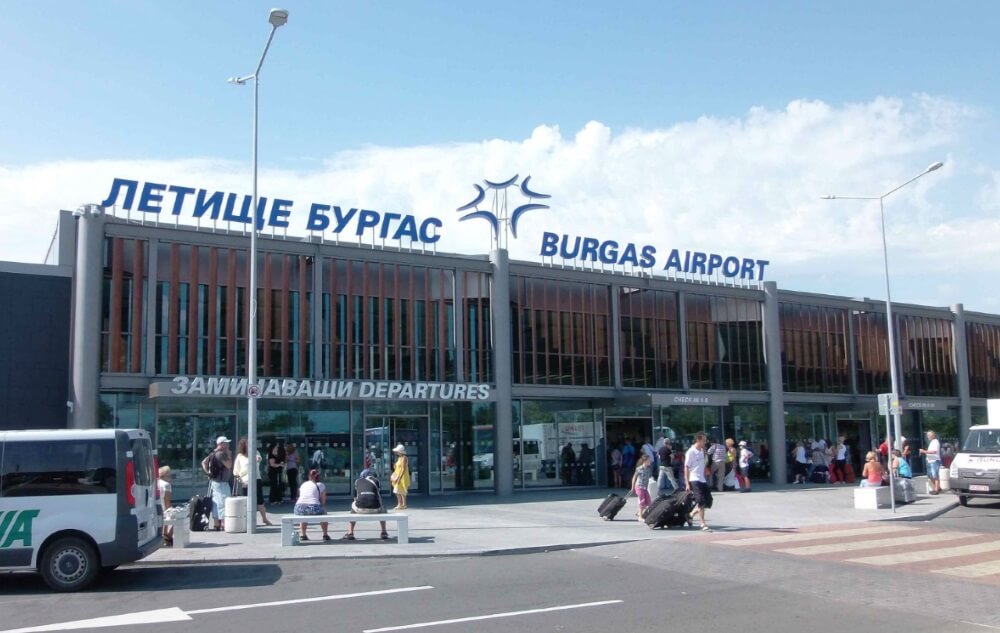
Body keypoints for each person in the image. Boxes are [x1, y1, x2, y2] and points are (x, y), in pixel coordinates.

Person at [233, 438, 272, 526]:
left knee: (260, 500)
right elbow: (236, 471)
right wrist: (239, 479)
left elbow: (258, 459)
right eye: (248, 443)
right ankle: (246, 520)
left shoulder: (255, 452)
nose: (251, 445)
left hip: (256, 479)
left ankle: (264, 518)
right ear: (244, 445)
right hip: (245, 480)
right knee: (246, 500)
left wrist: (257, 459)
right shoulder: (240, 456)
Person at [344, 468, 389, 541]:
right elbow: (379, 496)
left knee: (353, 505)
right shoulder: (376, 481)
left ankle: (350, 532)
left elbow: (356, 498)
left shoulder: (357, 481)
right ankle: (384, 532)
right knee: (382, 507)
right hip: (375, 508)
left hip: (360, 508)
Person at [202, 436, 234, 531]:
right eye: (226, 443)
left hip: (215, 482)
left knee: (216, 502)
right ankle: (224, 523)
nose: (228, 445)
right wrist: (228, 454)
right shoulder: (221, 454)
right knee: (224, 502)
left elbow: (203, 462)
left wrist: (208, 472)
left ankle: (216, 523)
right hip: (221, 482)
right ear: (220, 444)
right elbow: (229, 465)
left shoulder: (213, 453)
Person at [685, 432, 713, 532]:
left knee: (708, 501)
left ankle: (691, 515)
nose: (705, 442)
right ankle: (703, 523)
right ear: (698, 440)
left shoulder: (702, 450)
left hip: (702, 479)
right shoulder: (690, 452)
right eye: (703, 440)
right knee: (701, 501)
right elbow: (687, 467)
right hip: (694, 479)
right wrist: (687, 483)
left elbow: (702, 463)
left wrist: (706, 469)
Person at [294, 469, 330, 541]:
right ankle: (325, 534)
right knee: (324, 512)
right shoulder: (321, 485)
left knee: (303, 514)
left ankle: (303, 535)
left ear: (309, 476)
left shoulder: (303, 484)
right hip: (313, 507)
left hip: (298, 507)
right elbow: (323, 502)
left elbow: (301, 496)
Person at [919, 430, 942, 495]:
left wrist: (924, 451)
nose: (928, 436)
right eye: (927, 435)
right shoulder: (932, 442)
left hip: (934, 461)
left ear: (933, 435)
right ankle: (937, 487)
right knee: (930, 476)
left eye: (929, 435)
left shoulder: (935, 442)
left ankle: (936, 489)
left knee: (935, 475)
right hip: (930, 461)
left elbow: (934, 451)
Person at [631, 453, 653, 520]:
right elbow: (634, 477)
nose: (650, 461)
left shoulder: (648, 469)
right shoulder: (639, 469)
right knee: (642, 501)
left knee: (648, 501)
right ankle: (640, 517)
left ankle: (639, 512)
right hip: (639, 487)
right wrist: (632, 487)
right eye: (649, 460)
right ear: (645, 461)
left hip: (645, 488)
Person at [390, 444, 411, 510]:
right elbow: (399, 467)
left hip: (402, 476)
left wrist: (400, 478)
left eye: (397, 451)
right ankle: (401, 504)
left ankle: (402, 504)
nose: (396, 453)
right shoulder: (400, 458)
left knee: (400, 490)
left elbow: (403, 469)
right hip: (398, 475)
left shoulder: (404, 458)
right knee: (398, 490)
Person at [157, 465, 173, 546]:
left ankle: (165, 535)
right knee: (175, 515)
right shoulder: (166, 485)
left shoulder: (155, 483)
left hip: (156, 510)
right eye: (170, 475)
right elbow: (167, 503)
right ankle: (167, 536)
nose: (171, 477)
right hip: (163, 510)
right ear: (165, 475)